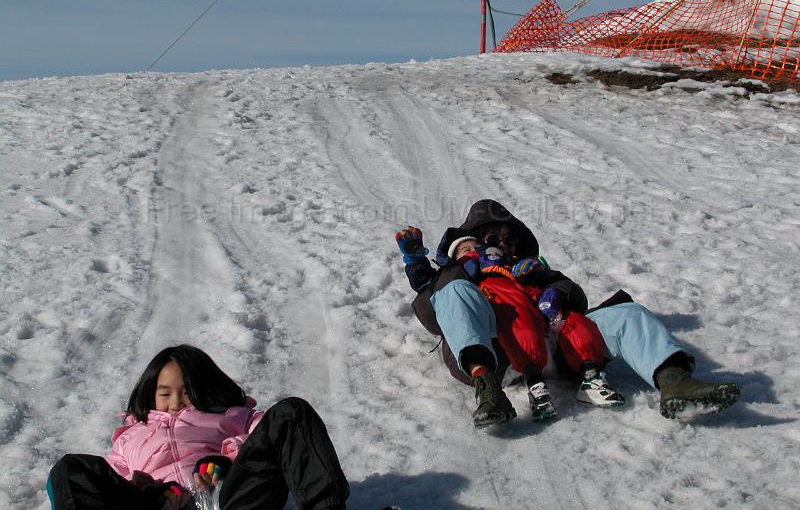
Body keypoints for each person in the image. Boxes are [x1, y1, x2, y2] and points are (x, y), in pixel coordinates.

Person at [398, 199, 740, 421]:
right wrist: (461, 271)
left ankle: (674, 382)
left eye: (509, 239)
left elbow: (577, 299)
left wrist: (552, 287)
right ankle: (488, 391)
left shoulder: (530, 266)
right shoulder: (456, 274)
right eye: (492, 239)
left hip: (559, 346)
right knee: (454, 293)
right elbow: (432, 315)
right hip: (499, 352)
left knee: (628, 313)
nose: (503, 244)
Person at [47, 344, 349, 510]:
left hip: (230, 500)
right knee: (71, 468)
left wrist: (224, 461)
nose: (176, 402)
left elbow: (266, 444)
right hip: (164, 505)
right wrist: (155, 492)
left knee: (291, 412)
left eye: (186, 392)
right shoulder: (130, 438)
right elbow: (116, 484)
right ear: (151, 394)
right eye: (165, 393)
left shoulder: (231, 416)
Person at [448, 234, 625, 419]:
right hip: (511, 342)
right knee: (519, 321)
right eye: (466, 250)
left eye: (477, 248)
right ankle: (536, 388)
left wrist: (543, 279)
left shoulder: (514, 266)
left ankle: (591, 376)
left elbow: (562, 284)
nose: (474, 252)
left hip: (543, 321)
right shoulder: (464, 277)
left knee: (574, 321)